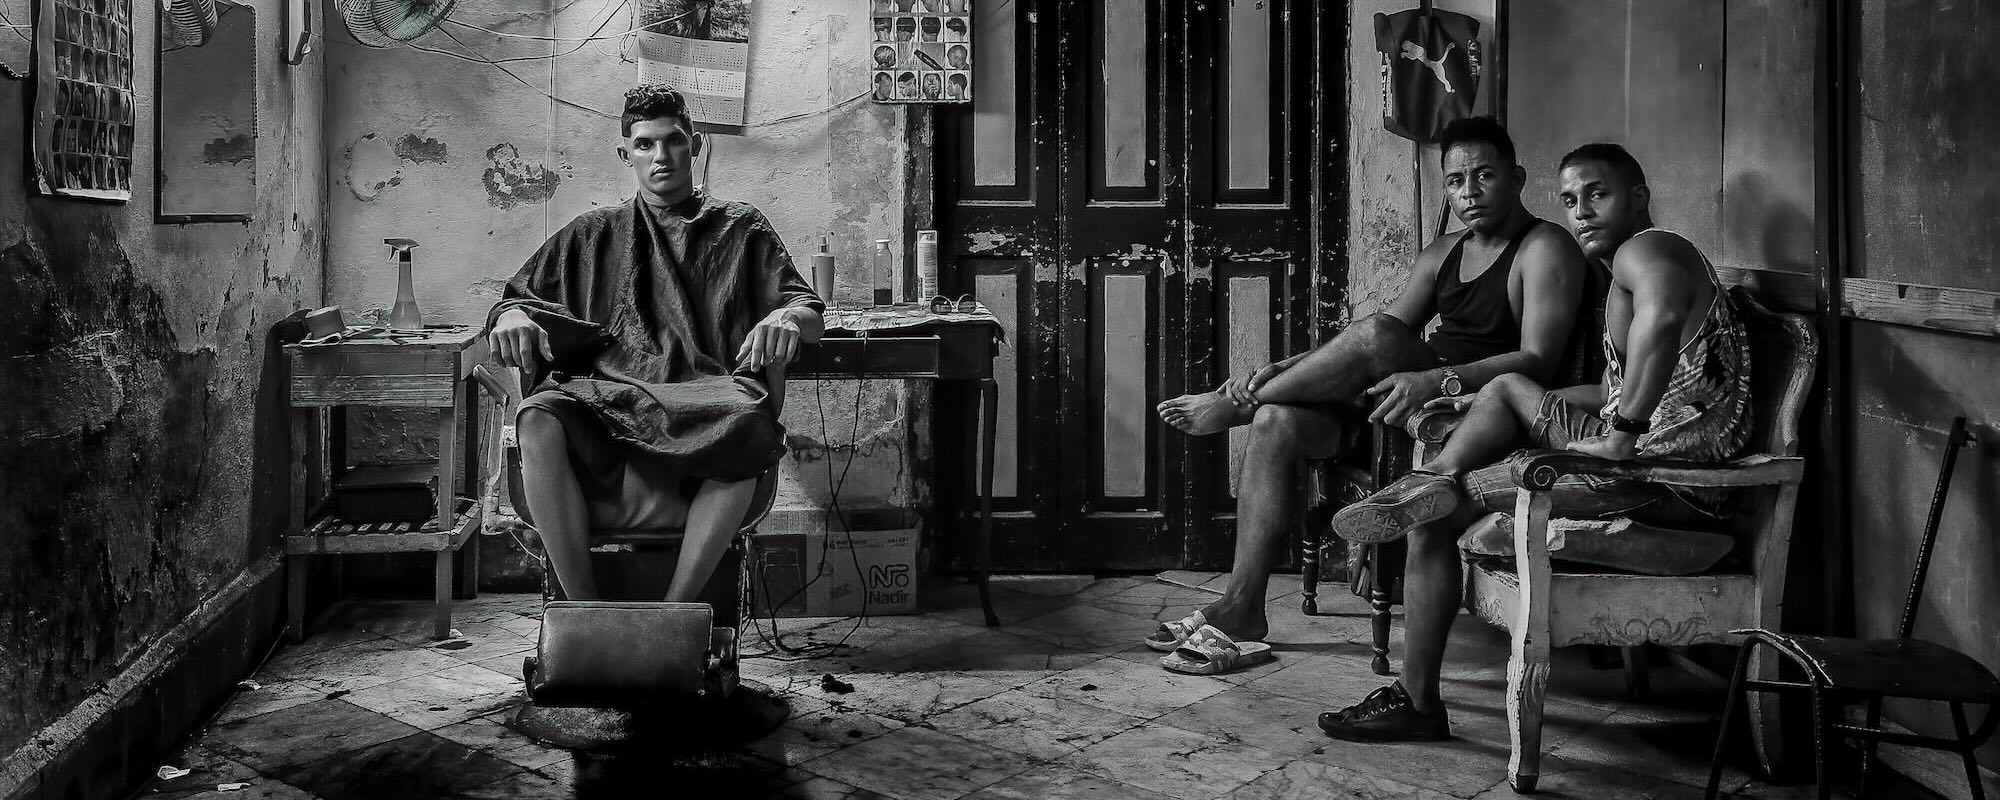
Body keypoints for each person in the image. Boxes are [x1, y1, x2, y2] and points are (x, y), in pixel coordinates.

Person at [1317, 143, 1752, 741]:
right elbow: (1607, 390)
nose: (1581, 213)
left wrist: (1622, 434)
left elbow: (1663, 319)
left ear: (1639, 198)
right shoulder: (1625, 270)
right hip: (1640, 458)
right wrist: (1477, 401)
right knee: (1503, 389)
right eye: (1571, 200)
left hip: (1664, 477)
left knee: (1439, 516)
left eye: (1598, 195)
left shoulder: (1651, 249)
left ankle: (1417, 698)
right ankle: (1432, 478)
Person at [1148, 116, 1596, 675]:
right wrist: (1289, 368)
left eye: (1484, 176)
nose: (1469, 193)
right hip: (1396, 400)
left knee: (1374, 335)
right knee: (1277, 423)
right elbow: (1377, 339)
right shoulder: (1445, 251)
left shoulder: (1543, 246)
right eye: (1456, 182)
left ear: (1517, 178)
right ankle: (1242, 607)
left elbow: (1537, 361)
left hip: (1464, 408)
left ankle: (1239, 404)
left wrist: (1436, 379)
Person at [486, 85, 825, 602]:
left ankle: (672, 615)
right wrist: (510, 316)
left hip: (706, 393)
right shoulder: (592, 234)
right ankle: (586, 613)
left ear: (696, 144)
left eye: (673, 141)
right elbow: (515, 301)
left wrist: (787, 317)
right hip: (606, 396)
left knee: (745, 424)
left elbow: (806, 309)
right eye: (645, 144)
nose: (661, 157)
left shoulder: (741, 227)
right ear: (626, 153)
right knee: (538, 416)